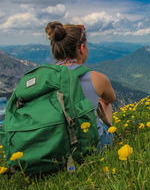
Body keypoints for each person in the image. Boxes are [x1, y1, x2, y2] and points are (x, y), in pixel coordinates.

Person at [45, 21, 116, 149]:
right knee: (105, 102)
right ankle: (107, 134)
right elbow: (110, 99)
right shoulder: (96, 77)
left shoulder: (44, 77)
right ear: (82, 48)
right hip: (90, 147)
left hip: (54, 149)